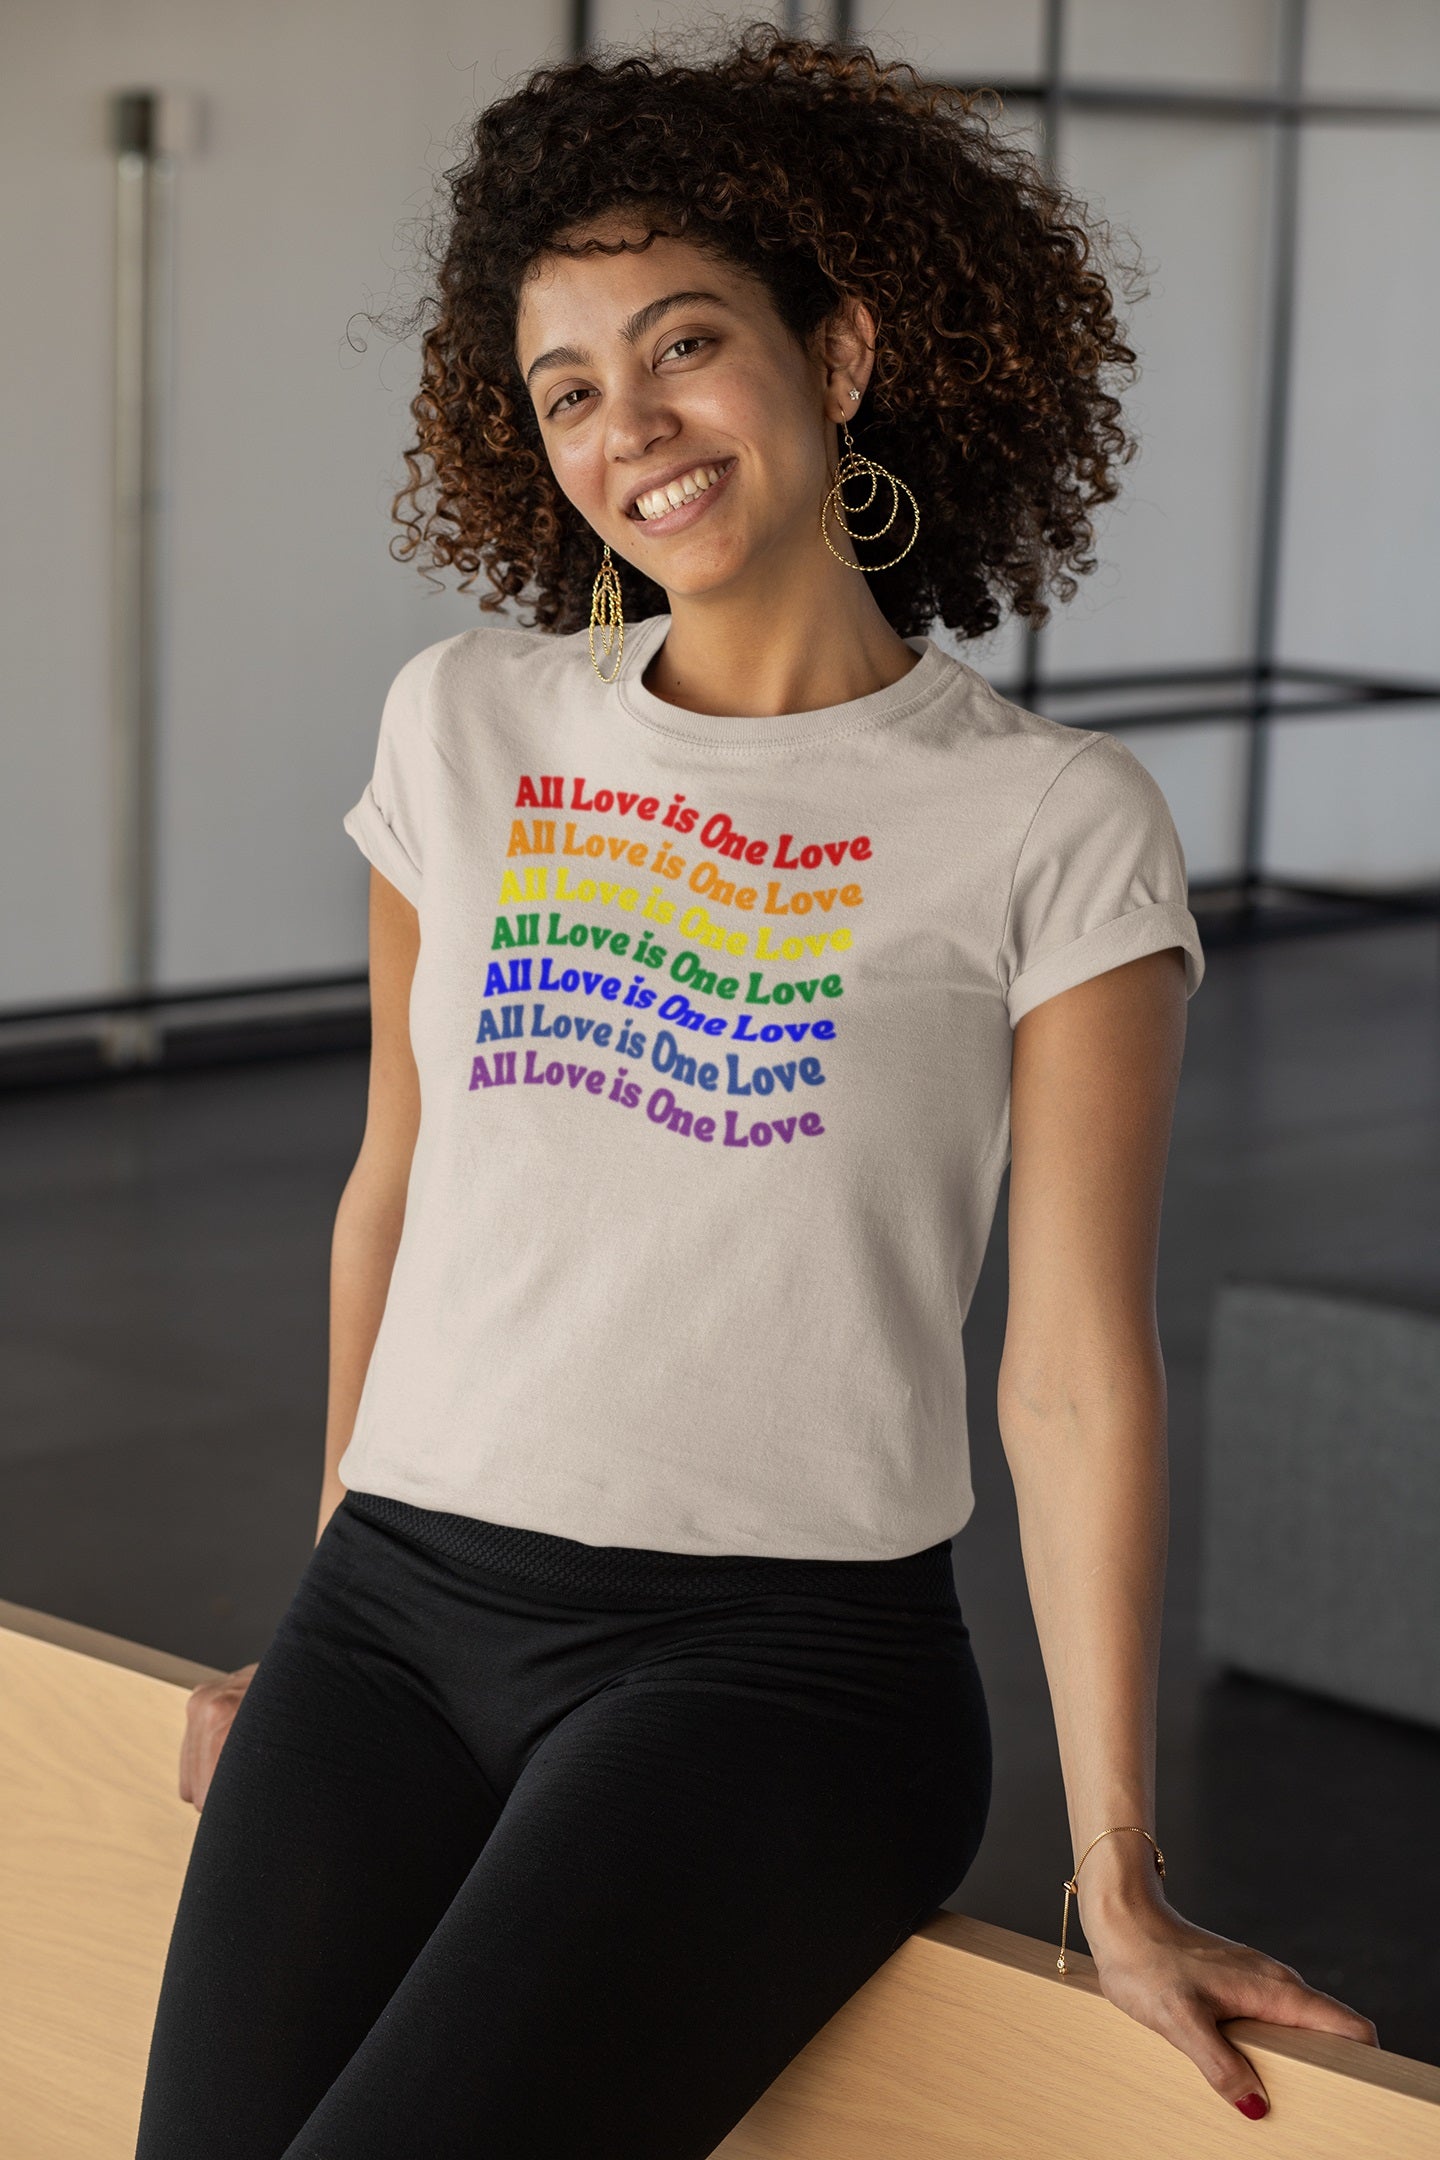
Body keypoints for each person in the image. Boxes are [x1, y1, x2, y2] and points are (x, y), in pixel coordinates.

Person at [134, 23, 1378, 2158]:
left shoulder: (1047, 820)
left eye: (688, 345)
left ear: (843, 349)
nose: (639, 429)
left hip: (771, 1673)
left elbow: (1075, 1370)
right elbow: (397, 1190)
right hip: (394, 1621)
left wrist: (1121, 1872)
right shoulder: (467, 726)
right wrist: (313, 1607)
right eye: (571, 391)